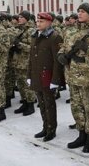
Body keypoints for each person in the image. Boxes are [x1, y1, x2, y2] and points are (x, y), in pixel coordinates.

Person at [58, 2, 89, 153]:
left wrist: (88, 49)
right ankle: (81, 134)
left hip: (88, 77)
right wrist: (61, 55)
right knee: (76, 107)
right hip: (72, 75)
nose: (80, 13)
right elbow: (63, 47)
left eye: (83, 11)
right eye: (78, 11)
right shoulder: (70, 31)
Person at [28, 12, 63, 142]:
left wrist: (55, 80)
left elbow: (57, 61)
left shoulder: (54, 37)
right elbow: (31, 58)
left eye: (41, 21)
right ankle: (45, 127)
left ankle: (51, 129)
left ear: (49, 22)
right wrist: (29, 75)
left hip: (47, 75)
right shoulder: (34, 36)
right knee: (41, 103)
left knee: (49, 104)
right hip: (36, 75)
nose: (38, 23)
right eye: (37, 21)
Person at [12, 10, 37, 116]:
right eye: (19, 17)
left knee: (27, 85)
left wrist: (19, 44)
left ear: (27, 18)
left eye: (22, 17)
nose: (19, 19)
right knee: (20, 84)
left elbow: (33, 48)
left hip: (26, 62)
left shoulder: (31, 30)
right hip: (18, 61)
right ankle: (25, 102)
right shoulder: (19, 29)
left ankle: (30, 104)